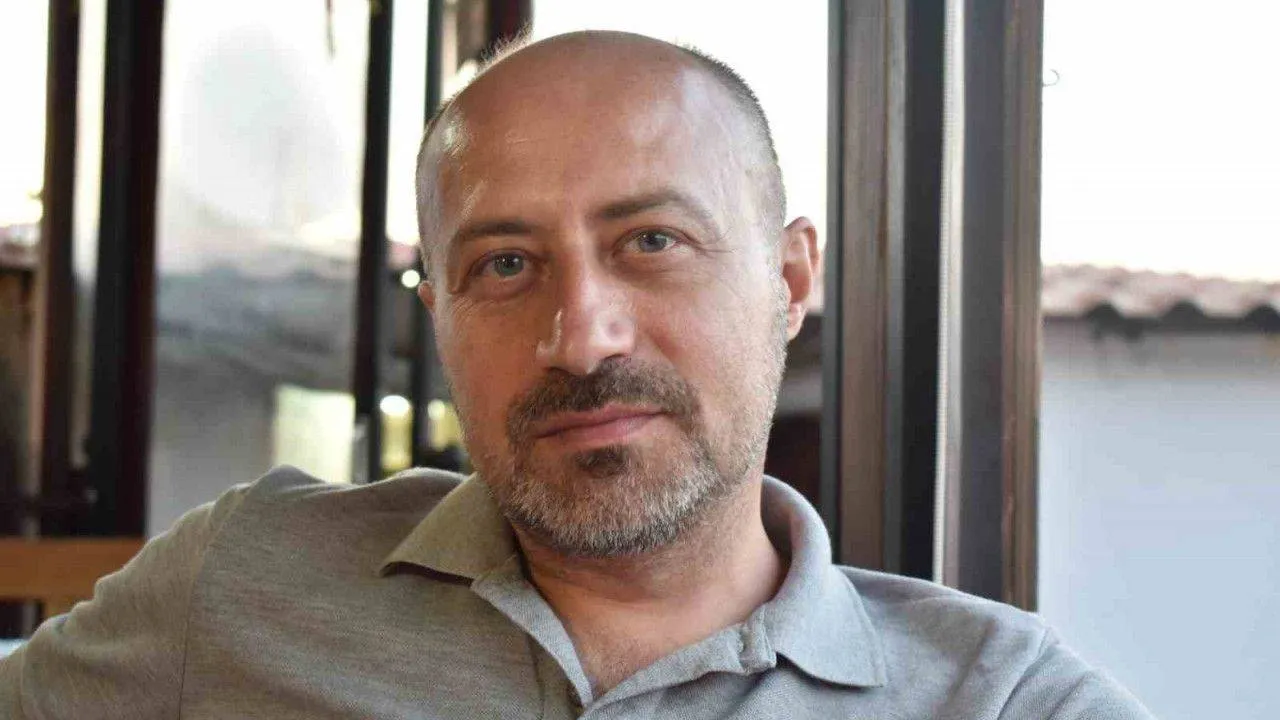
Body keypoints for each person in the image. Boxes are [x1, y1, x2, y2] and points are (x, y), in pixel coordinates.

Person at [0, 30, 1153, 719]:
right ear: (440, 316)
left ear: (787, 278)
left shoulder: (994, 698)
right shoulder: (240, 586)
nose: (582, 336)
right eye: (505, 264)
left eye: (651, 240)